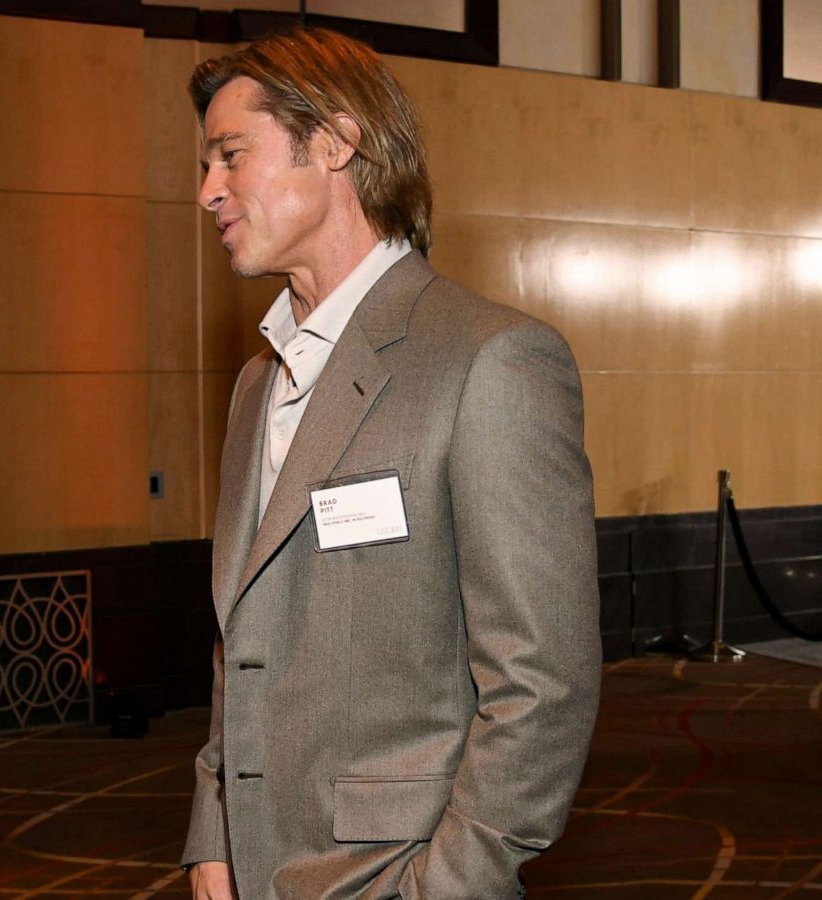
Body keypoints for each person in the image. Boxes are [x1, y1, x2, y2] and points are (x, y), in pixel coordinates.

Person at [182, 29, 601, 899]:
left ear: (335, 143)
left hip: (395, 875)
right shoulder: (257, 384)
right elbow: (243, 644)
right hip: (250, 867)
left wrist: (450, 883)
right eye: (205, 165)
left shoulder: (491, 359)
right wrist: (211, 835)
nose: (208, 191)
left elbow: (541, 683)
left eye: (231, 155)